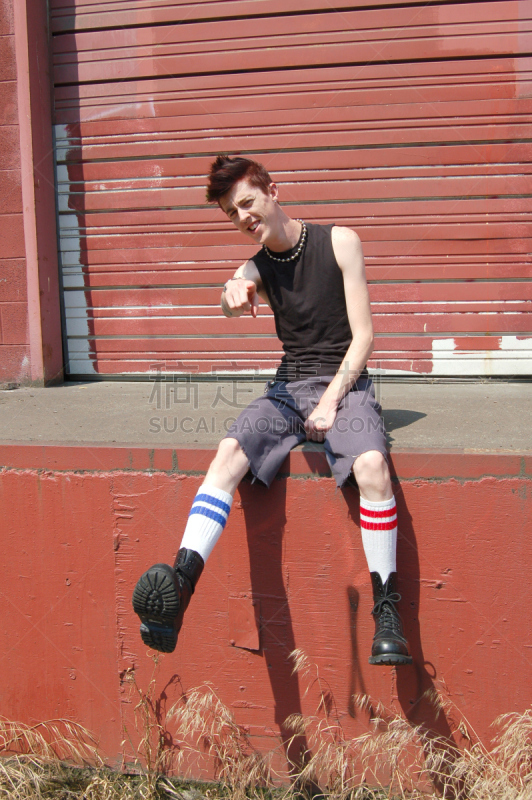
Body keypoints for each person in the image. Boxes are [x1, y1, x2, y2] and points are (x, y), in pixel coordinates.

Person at [132, 156, 412, 666]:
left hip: (345, 382)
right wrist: (230, 294)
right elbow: (230, 296)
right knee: (228, 453)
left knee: (372, 466)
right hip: (289, 385)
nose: (242, 217)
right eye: (231, 213)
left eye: (247, 202)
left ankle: (386, 610)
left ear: (272, 191)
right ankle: (182, 587)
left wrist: (330, 402)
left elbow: (365, 338)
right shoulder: (256, 266)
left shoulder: (339, 242)